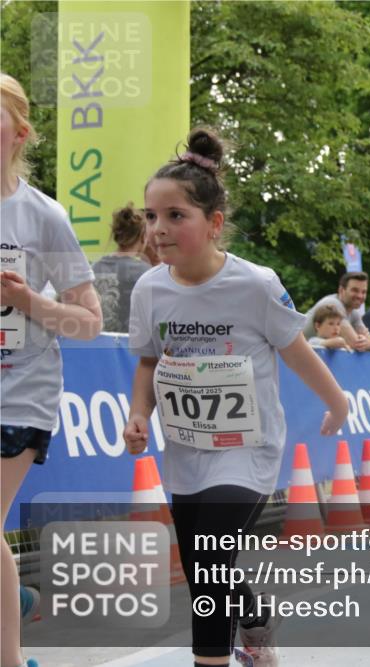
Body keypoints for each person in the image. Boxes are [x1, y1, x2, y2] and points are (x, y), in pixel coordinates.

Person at [124, 128, 349, 667]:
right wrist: (138, 412)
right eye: (152, 217)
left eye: (176, 215)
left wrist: (337, 402)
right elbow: (150, 362)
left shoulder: (256, 284)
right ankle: (252, 619)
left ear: (214, 223)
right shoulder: (149, 289)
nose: (159, 229)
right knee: (211, 564)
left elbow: (295, 351)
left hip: (248, 450)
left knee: (207, 559)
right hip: (186, 451)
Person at [1, 73, 103, 667]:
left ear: (19, 132)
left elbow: (90, 322)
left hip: (20, 390)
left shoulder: (43, 217)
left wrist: (29, 304)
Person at [91, 203, 153, 332]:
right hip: (129, 347)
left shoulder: (93, 268)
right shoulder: (146, 272)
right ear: (143, 237)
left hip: (96, 343)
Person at [301, 272, 370, 351]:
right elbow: (354, 343)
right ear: (341, 290)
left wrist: (366, 343)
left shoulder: (354, 313)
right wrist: (365, 342)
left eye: (363, 292)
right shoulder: (333, 305)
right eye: (355, 290)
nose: (360, 296)